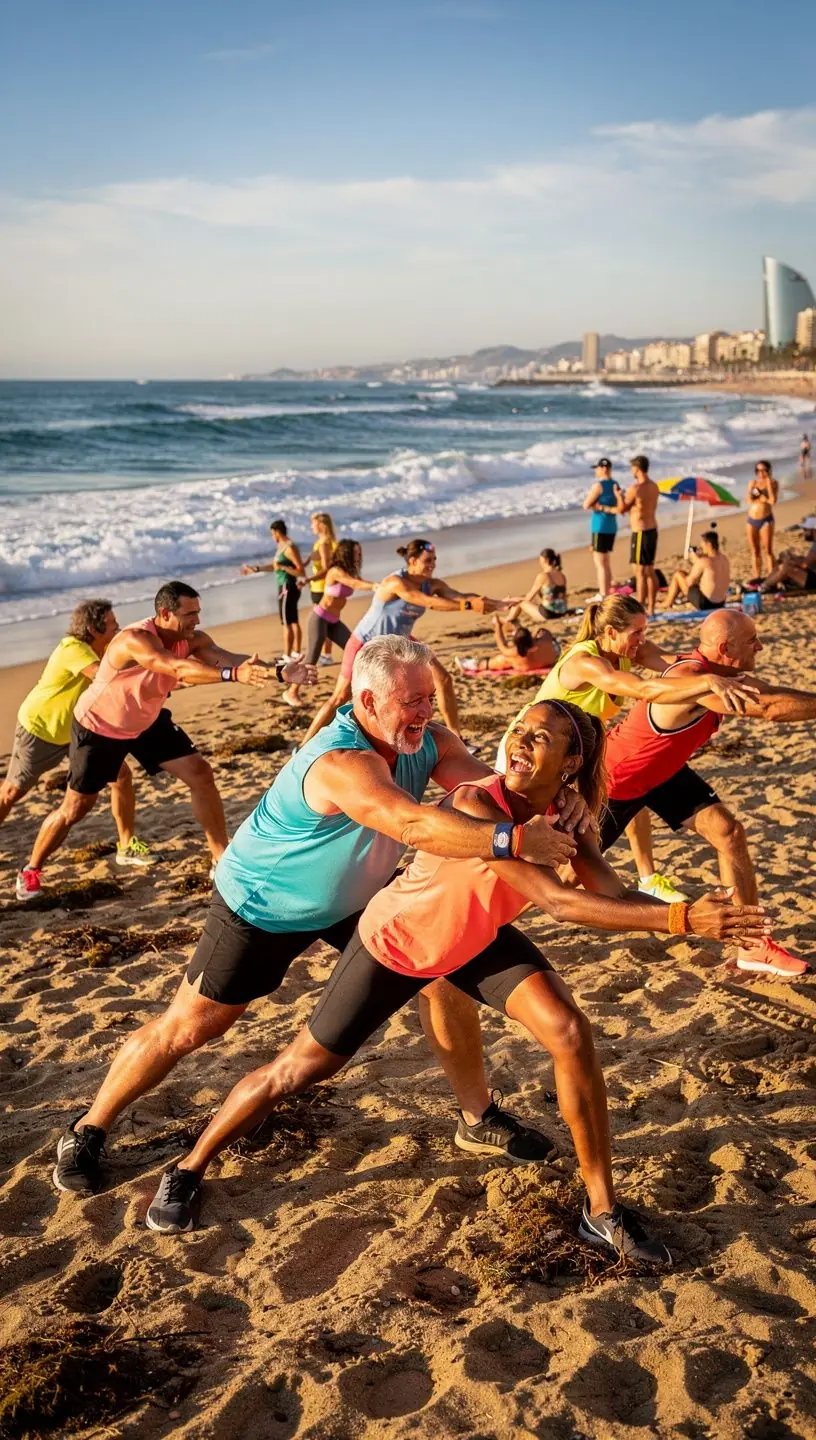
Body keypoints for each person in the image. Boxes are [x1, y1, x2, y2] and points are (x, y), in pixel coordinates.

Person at [143, 698, 767, 1243]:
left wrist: (692, 916)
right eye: (520, 728)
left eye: (539, 737)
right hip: (396, 944)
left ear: (570, 766)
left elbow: (611, 891)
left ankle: (600, 1211)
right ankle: (189, 1167)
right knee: (296, 1070)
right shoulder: (476, 801)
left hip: (472, 939)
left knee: (570, 1033)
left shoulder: (566, 816)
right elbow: (559, 902)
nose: (519, 741)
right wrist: (681, 921)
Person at [51, 635, 593, 1201]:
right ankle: (89, 1128)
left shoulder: (428, 740)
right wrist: (512, 838)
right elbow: (411, 825)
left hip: (356, 894)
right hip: (264, 903)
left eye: (429, 697)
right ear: (367, 699)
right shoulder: (343, 762)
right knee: (192, 1026)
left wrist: (563, 798)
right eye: (411, 701)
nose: (425, 712)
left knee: (439, 979)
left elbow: (501, 791)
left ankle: (476, 1118)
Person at [16, 581, 315, 902]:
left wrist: (280, 672)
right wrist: (233, 676)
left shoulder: (193, 639)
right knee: (75, 808)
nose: (197, 620)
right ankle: (31, 870)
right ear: (164, 613)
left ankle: (221, 859)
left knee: (200, 773)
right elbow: (174, 667)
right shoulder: (134, 639)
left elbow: (227, 658)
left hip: (146, 721)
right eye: (190, 614)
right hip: (101, 726)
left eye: (198, 612)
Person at [497, 594, 760, 903]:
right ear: (610, 632)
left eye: (644, 631)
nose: (643, 640)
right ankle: (500, 909)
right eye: (637, 633)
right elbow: (643, 689)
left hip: (572, 755)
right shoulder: (586, 663)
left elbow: (677, 665)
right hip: (530, 752)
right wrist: (708, 682)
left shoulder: (625, 650)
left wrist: (714, 670)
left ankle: (647, 877)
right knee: (561, 862)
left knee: (631, 803)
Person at [599, 609, 816, 978]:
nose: (760, 646)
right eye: (752, 641)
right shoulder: (696, 681)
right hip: (614, 781)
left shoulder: (719, 673)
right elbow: (769, 708)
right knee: (563, 877)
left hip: (662, 773)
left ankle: (752, 947)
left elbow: (769, 691)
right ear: (724, 647)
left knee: (728, 832)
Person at [299, 538, 511, 745]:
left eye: (434, 560)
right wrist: (468, 605)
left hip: (401, 643)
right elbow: (428, 602)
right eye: (427, 560)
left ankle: (456, 739)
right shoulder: (395, 582)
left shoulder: (432, 584)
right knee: (340, 697)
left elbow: (459, 595)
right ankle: (304, 746)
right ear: (412, 561)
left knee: (443, 679)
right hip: (366, 644)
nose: (432, 565)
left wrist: (499, 604)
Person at [1, 600, 146, 868]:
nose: (118, 627)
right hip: (41, 730)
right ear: (93, 628)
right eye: (113, 623)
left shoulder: (103, 649)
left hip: (78, 731)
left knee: (122, 777)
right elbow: (102, 677)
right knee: (11, 792)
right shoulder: (73, 649)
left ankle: (126, 846)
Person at [283, 540, 376, 706]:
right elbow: (356, 584)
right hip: (319, 618)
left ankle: (362, 687)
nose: (358, 555)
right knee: (312, 657)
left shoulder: (351, 571)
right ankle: (291, 692)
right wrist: (378, 586)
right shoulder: (336, 571)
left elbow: (360, 581)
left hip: (333, 621)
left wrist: (382, 587)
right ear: (345, 553)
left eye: (359, 552)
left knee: (357, 650)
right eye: (355, 552)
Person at [241, 519, 305, 659]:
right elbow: (274, 566)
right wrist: (256, 569)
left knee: (287, 622)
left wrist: (284, 568)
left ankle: (288, 655)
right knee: (292, 620)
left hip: (287, 586)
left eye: (272, 534)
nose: (272, 537)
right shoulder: (282, 546)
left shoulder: (289, 547)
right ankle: (295, 653)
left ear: (277, 532)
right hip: (285, 586)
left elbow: (301, 571)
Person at [622, 455, 660, 615]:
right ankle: (651, 607)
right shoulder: (654, 486)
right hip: (652, 529)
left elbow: (621, 508)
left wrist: (618, 496)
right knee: (650, 570)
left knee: (640, 572)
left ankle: (642, 606)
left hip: (640, 531)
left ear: (637, 469)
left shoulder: (636, 488)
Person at [456, 616, 559, 674]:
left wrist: (498, 626)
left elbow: (500, 642)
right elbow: (545, 633)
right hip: (549, 659)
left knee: (502, 659)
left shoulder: (513, 652)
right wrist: (537, 635)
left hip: (526, 666)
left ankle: (472, 664)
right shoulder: (543, 641)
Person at [583, 459, 624, 597]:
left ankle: (603, 593)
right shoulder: (615, 485)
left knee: (600, 563)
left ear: (602, 469)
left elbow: (586, 504)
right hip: (611, 526)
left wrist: (600, 507)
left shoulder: (599, 486)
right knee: (606, 561)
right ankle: (608, 589)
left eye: (597, 468)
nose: (596, 471)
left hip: (599, 526)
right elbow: (620, 506)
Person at [663, 531, 731, 611]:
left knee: (678, 575)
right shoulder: (724, 559)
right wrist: (698, 561)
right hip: (721, 602)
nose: (701, 548)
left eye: (702, 546)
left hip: (706, 603)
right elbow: (711, 573)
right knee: (687, 575)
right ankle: (669, 601)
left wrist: (696, 562)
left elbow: (689, 583)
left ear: (708, 544)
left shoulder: (703, 561)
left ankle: (666, 603)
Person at [306, 512, 338, 662]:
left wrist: (308, 579)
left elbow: (326, 569)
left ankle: (326, 655)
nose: (311, 526)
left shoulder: (324, 543)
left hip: (320, 587)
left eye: (313, 523)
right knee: (326, 622)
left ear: (320, 525)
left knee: (321, 624)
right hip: (320, 587)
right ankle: (326, 654)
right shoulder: (326, 541)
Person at [511, 549, 569, 624]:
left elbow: (528, 598)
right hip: (562, 612)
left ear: (545, 560)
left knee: (520, 602)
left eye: (540, 560)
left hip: (549, 614)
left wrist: (514, 599)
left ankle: (508, 619)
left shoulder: (543, 576)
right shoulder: (562, 575)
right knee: (534, 602)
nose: (539, 563)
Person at [745, 460, 778, 580]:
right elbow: (748, 500)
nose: (761, 473)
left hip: (766, 519)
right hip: (752, 519)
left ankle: (772, 576)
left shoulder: (773, 483)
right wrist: (759, 497)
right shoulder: (753, 483)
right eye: (758, 470)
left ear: (769, 471)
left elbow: (773, 500)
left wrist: (768, 484)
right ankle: (757, 576)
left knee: (767, 550)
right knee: (755, 550)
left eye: (764, 470)